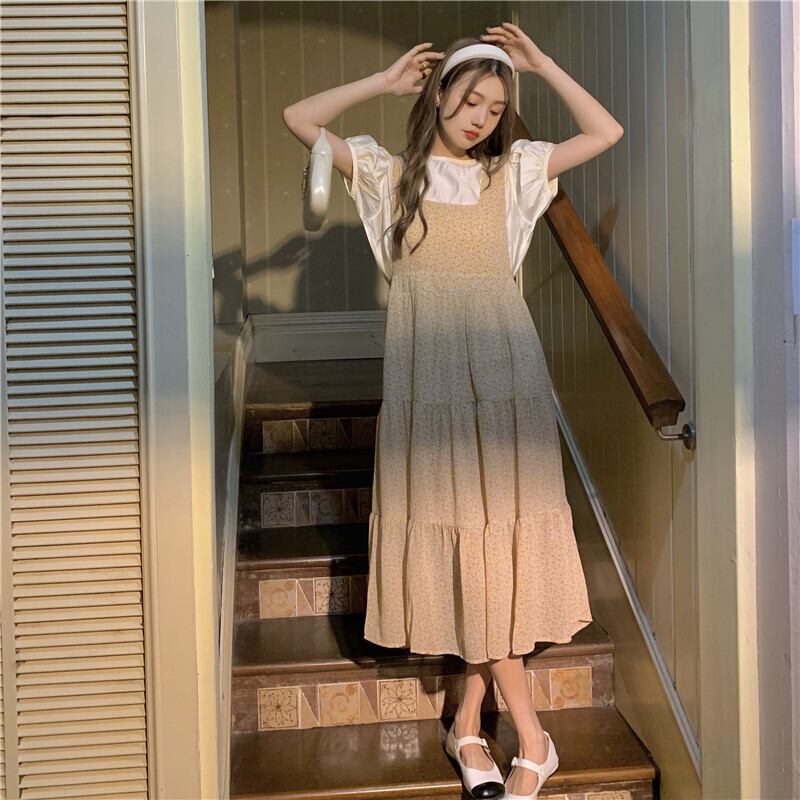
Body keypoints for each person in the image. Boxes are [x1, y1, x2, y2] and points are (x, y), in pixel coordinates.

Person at [282, 22, 623, 800]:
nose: (481, 119)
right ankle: (527, 737)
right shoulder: (386, 175)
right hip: (427, 386)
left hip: (505, 379)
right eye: (470, 101)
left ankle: (475, 725)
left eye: (496, 109)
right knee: (464, 537)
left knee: (492, 540)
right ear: (438, 95)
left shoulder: (517, 173)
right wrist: (381, 82)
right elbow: (300, 119)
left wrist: (542, 63)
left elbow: (605, 131)